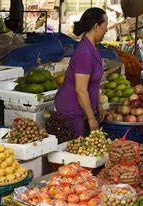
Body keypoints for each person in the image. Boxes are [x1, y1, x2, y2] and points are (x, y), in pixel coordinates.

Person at [54, 8, 108, 136]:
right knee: (76, 151)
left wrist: (98, 104)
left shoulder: (93, 47)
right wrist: (91, 118)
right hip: (71, 109)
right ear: (96, 26)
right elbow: (81, 90)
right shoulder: (85, 53)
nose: (106, 29)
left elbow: (93, 83)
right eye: (105, 25)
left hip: (83, 109)